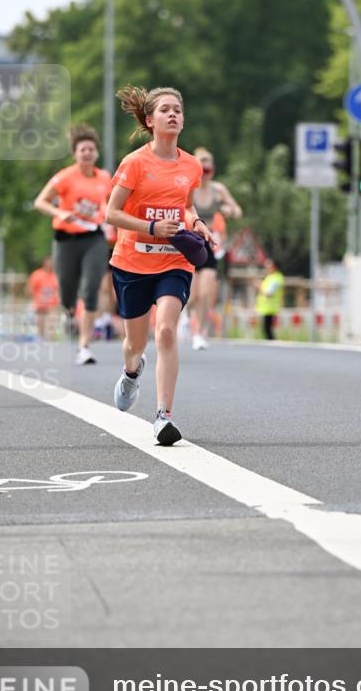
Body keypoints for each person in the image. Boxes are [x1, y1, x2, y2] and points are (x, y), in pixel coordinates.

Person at [105, 84, 212, 446]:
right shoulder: (135, 163)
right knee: (135, 343)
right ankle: (132, 372)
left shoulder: (191, 166)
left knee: (165, 331)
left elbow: (187, 205)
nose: (173, 114)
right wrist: (150, 227)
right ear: (150, 120)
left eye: (178, 109)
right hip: (132, 262)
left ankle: (163, 416)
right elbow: (112, 213)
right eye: (165, 109)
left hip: (173, 260)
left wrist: (196, 223)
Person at [34, 125, 112, 364]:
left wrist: (110, 219)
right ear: (75, 154)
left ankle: (84, 346)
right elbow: (40, 202)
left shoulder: (104, 177)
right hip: (66, 239)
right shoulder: (65, 177)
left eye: (90, 149)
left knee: (90, 289)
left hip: (94, 239)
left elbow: (108, 204)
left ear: (96, 152)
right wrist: (60, 212)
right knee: (67, 289)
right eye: (82, 149)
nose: (87, 153)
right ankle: (68, 311)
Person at [188, 147, 242, 350]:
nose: (205, 166)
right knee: (191, 295)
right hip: (190, 243)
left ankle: (200, 333)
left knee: (205, 293)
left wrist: (229, 209)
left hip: (209, 244)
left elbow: (237, 210)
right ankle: (187, 318)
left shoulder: (218, 190)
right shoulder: (188, 187)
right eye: (201, 162)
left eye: (208, 162)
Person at [27, 256, 59, 338]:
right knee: (40, 325)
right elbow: (31, 289)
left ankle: (50, 340)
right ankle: (40, 340)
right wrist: (37, 299)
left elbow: (58, 289)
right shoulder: (37, 275)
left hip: (52, 305)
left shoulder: (55, 275)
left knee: (51, 325)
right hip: (40, 305)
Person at [255, 257, 284, 340]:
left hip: (270, 308)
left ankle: (273, 344)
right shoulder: (270, 277)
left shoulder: (276, 278)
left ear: (274, 266)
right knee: (266, 329)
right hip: (266, 308)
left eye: (268, 264)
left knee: (267, 329)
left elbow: (269, 293)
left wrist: (259, 286)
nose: (266, 266)